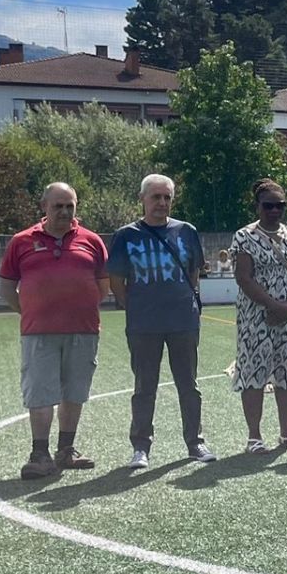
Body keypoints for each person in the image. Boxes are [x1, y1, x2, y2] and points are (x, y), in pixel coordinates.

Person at [0, 182, 109, 479]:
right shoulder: (21, 241)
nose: (64, 211)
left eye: (69, 205)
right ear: (43, 206)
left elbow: (103, 286)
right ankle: (39, 454)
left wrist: (78, 307)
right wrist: (31, 310)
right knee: (41, 393)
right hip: (39, 333)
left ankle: (66, 450)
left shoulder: (92, 240)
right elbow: (7, 288)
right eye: (58, 205)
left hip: (83, 331)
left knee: (75, 391)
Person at [107, 174, 215, 469]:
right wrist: (134, 306)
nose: (162, 203)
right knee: (144, 387)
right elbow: (116, 279)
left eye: (167, 197)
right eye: (156, 197)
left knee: (188, 385)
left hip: (183, 321)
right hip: (143, 324)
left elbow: (194, 272)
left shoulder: (186, 231)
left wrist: (188, 303)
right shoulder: (126, 235)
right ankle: (141, 446)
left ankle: (195, 442)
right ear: (142, 199)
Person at [230, 179, 287, 454]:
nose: (275, 210)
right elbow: (244, 277)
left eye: (280, 205)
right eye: (269, 205)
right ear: (257, 206)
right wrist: (272, 305)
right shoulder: (244, 237)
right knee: (253, 372)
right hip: (256, 316)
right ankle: (254, 437)